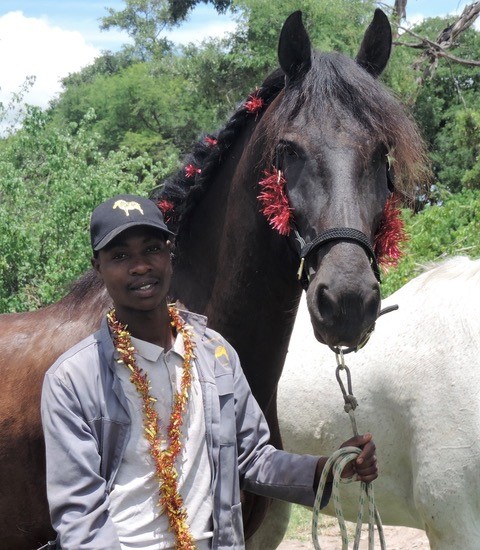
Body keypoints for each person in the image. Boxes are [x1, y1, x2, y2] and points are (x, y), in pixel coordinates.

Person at [41, 194, 377, 550]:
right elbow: (81, 520)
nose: (140, 266)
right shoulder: (72, 380)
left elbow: (251, 458)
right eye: (120, 255)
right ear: (98, 268)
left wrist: (328, 468)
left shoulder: (214, 354)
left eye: (152, 248)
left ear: (170, 256)